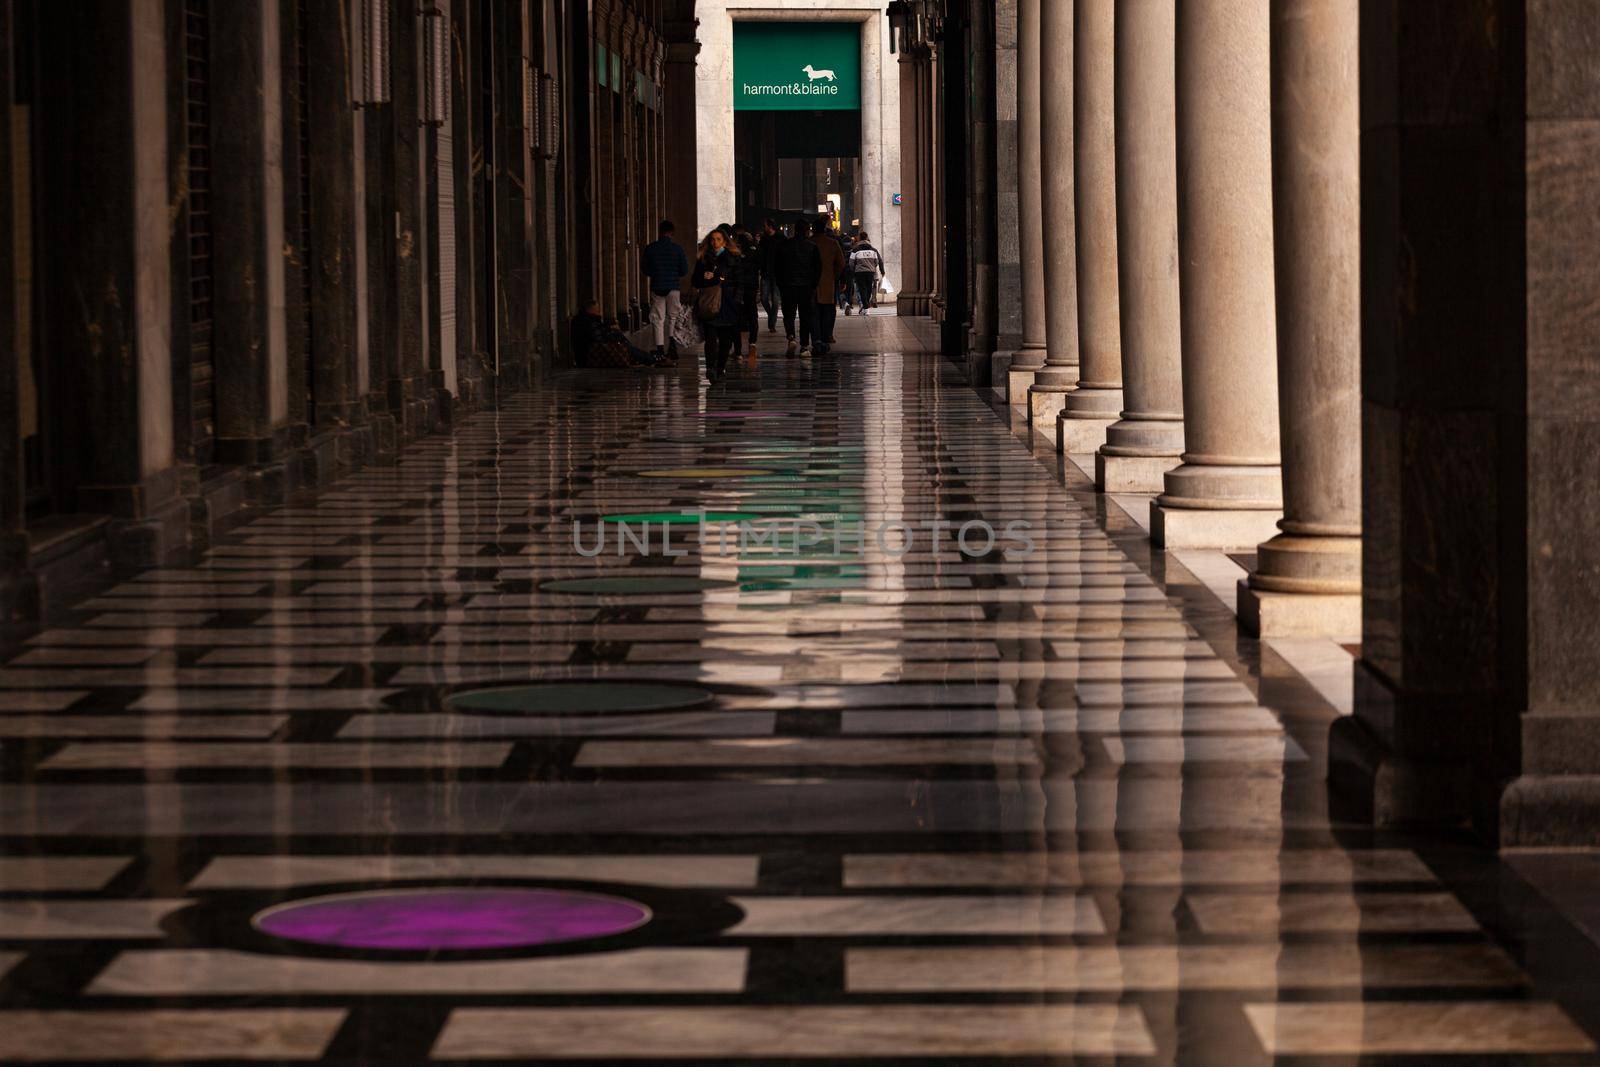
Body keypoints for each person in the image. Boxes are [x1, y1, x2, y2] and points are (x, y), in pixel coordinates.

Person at [692, 229, 743, 382]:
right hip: (710, 304)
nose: (715, 242)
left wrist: (736, 300)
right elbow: (695, 281)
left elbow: (739, 281)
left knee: (726, 340)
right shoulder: (703, 259)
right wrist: (704, 277)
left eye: (718, 239)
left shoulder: (733, 258)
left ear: (725, 242)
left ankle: (720, 367)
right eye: (713, 239)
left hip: (727, 303)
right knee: (711, 338)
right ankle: (710, 368)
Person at [640, 220, 689, 361]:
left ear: (659, 231)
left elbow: (645, 268)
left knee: (657, 318)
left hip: (657, 285)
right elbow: (684, 270)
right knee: (673, 316)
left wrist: (656, 273)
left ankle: (660, 349)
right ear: (672, 233)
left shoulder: (651, 248)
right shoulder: (678, 249)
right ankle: (672, 344)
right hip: (673, 286)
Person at [773, 219, 821, 354]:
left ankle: (791, 337)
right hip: (806, 286)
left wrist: (780, 284)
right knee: (805, 316)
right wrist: (814, 285)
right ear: (807, 231)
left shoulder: (783, 246)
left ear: (795, 230)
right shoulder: (812, 246)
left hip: (788, 286)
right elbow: (818, 268)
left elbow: (777, 267)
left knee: (789, 314)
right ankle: (805, 345)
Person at [571, 300, 664, 368]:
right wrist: (612, 333)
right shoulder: (589, 321)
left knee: (624, 343)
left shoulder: (584, 320)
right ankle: (651, 358)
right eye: (597, 310)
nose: (599, 313)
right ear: (590, 310)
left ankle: (649, 357)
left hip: (587, 355)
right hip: (590, 356)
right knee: (623, 343)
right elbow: (598, 338)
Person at [810, 215, 847, 354]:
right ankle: (826, 337)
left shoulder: (809, 242)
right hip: (828, 284)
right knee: (828, 312)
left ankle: (816, 340)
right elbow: (841, 264)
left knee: (813, 313)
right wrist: (834, 276)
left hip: (811, 285)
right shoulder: (832, 243)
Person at [730, 231, 762, 358]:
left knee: (736, 317)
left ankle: (737, 350)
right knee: (753, 314)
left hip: (738, 287)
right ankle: (752, 342)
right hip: (751, 286)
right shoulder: (756, 250)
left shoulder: (735, 252)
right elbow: (760, 266)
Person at [846, 231, 884, 316]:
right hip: (870, 272)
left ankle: (865, 308)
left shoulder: (855, 250)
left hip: (859, 273)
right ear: (867, 238)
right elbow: (877, 261)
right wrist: (877, 269)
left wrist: (854, 270)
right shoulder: (873, 250)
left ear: (859, 238)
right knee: (869, 289)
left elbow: (851, 263)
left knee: (862, 289)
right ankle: (866, 307)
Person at [758, 218, 783, 333]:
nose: (764, 228)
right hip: (765, 272)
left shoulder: (780, 238)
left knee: (775, 299)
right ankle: (771, 315)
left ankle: (771, 324)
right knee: (763, 298)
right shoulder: (764, 239)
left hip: (777, 273)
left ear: (770, 226)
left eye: (765, 226)